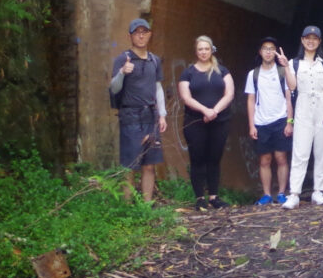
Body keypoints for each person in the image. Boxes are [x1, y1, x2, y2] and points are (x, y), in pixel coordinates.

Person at [109, 18, 168, 203]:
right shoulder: (123, 58)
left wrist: (163, 114)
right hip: (130, 116)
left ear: (149, 34)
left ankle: (146, 206)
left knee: (149, 164)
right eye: (137, 32)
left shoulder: (154, 60)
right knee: (130, 165)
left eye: (144, 32)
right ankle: (127, 207)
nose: (141, 35)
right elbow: (114, 88)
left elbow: (157, 87)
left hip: (150, 116)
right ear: (130, 36)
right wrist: (122, 72)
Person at [282, 26, 323, 209]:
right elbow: (292, 87)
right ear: (302, 40)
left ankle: (318, 191)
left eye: (315, 38)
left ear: (320, 41)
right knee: (300, 151)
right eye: (308, 38)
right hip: (303, 108)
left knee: (322, 151)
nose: (311, 41)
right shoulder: (294, 63)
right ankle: (295, 193)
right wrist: (286, 68)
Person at [177, 35, 235, 211]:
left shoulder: (222, 71)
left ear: (211, 50)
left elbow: (229, 94)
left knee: (214, 158)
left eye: (206, 49)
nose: (203, 52)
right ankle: (200, 198)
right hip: (195, 122)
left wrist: (214, 111)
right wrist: (205, 110)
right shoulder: (188, 72)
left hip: (220, 121)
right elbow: (185, 97)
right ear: (196, 51)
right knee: (197, 159)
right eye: (200, 49)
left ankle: (214, 196)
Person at [245, 37, 294, 205]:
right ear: (260, 52)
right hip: (261, 122)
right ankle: (266, 194)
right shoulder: (254, 74)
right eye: (265, 48)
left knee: (281, 158)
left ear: (275, 52)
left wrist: (290, 122)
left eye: (271, 48)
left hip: (280, 120)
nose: (268, 51)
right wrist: (251, 125)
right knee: (264, 160)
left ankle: (281, 192)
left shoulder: (281, 72)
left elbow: (289, 97)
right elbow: (251, 100)